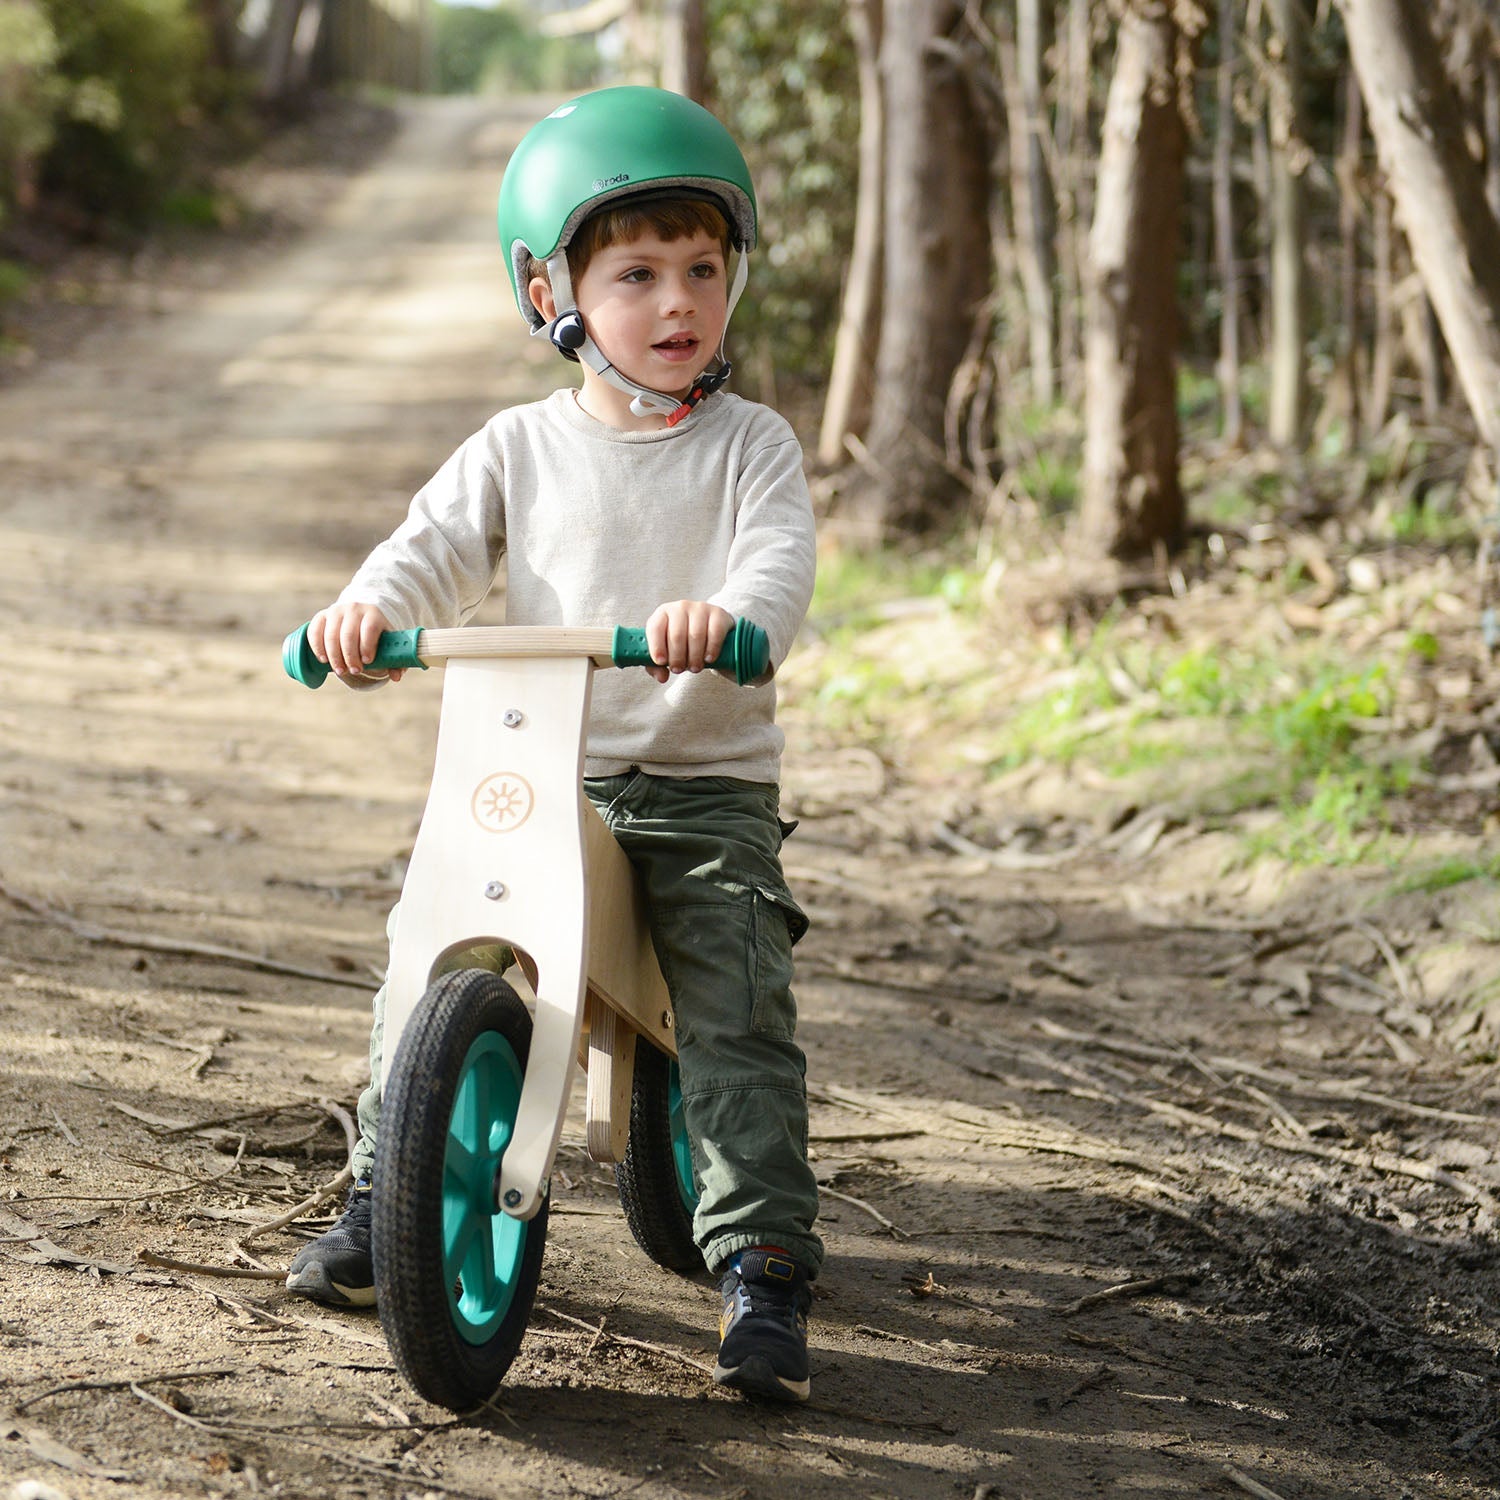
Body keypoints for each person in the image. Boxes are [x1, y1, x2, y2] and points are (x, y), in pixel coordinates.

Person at [284, 85, 822, 1404]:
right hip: (546, 766)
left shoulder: (749, 449)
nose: (680, 300)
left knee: (732, 1001)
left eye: (704, 266)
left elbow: (778, 565)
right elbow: (431, 551)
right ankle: (385, 1195)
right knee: (434, 946)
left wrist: (736, 620)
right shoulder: (517, 448)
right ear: (554, 295)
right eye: (637, 272)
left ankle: (760, 1254)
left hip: (700, 785)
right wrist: (364, 617)